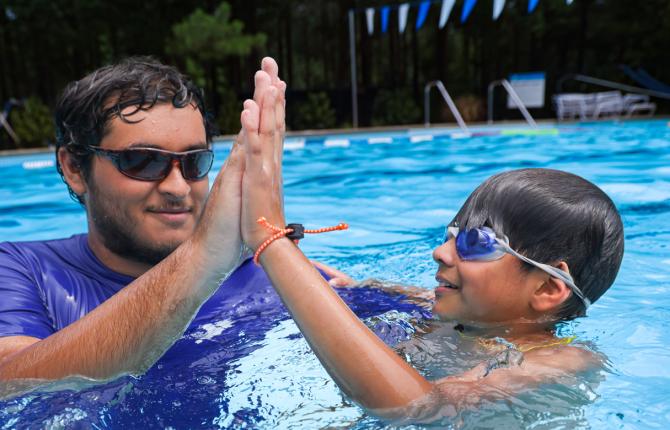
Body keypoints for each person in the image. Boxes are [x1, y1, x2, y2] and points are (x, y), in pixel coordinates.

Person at [235, 91, 625, 421]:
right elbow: (410, 295)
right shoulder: (466, 317)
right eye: (449, 236)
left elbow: (418, 407)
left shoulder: (558, 363)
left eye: (475, 243)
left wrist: (276, 251)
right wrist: (359, 286)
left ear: (545, 288)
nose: (440, 252)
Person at [0, 57, 293, 389]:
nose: (177, 187)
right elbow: (9, 384)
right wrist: (203, 257)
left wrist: (278, 253)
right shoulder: (24, 270)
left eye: (194, 162)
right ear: (74, 169)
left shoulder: (260, 269)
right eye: (142, 161)